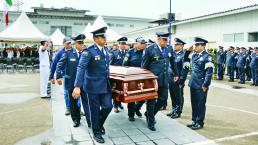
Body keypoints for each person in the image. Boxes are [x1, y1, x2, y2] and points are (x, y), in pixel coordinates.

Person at [73, 27, 112, 143]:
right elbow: (81, 68)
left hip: (105, 85)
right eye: (102, 36)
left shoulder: (106, 50)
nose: (105, 38)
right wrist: (77, 86)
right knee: (94, 110)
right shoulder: (88, 51)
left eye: (105, 36)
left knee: (108, 106)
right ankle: (97, 132)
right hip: (93, 86)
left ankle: (98, 124)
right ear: (95, 38)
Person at [141, 32, 179, 131]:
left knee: (163, 99)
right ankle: (150, 121)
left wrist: (176, 73)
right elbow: (144, 66)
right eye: (165, 40)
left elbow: (173, 62)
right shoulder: (149, 49)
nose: (167, 42)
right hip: (152, 80)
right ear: (159, 39)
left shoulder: (169, 48)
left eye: (167, 40)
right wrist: (145, 80)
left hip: (165, 78)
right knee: (151, 101)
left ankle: (149, 114)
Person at [56, 34, 86, 128]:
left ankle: (89, 119)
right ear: (75, 44)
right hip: (71, 83)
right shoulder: (68, 53)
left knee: (86, 102)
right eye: (80, 43)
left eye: (83, 43)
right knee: (73, 103)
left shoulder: (86, 53)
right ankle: (76, 120)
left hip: (84, 83)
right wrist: (58, 76)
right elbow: (59, 65)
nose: (82, 45)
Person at [185, 37, 214, 130]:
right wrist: (187, 52)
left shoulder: (208, 57)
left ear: (203, 46)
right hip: (193, 83)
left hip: (201, 85)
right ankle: (194, 120)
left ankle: (199, 122)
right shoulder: (194, 55)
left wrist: (205, 84)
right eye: (195, 45)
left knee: (200, 104)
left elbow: (209, 72)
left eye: (197, 45)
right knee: (194, 103)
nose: (195, 46)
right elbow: (184, 60)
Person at [123, 36, 147, 121]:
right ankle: (131, 114)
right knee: (131, 97)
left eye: (145, 43)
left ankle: (137, 108)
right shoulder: (130, 52)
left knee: (144, 96)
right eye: (142, 43)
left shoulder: (146, 52)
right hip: (132, 78)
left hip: (144, 77)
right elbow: (124, 65)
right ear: (136, 44)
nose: (144, 45)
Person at [167, 38, 190, 119]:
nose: (175, 46)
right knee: (172, 95)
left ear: (182, 46)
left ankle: (178, 111)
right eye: (175, 44)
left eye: (177, 45)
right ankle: (174, 110)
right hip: (170, 78)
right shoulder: (172, 54)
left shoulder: (184, 55)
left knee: (178, 96)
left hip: (178, 79)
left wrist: (181, 81)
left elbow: (185, 69)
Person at [49, 37, 73, 115]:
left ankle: (78, 109)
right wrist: (51, 77)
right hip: (65, 76)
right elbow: (54, 65)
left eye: (70, 43)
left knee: (77, 93)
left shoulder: (74, 51)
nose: (69, 45)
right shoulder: (60, 53)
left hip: (75, 75)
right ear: (64, 44)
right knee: (66, 93)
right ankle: (68, 108)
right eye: (67, 43)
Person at [110, 37, 128, 113]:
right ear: (119, 44)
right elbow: (110, 64)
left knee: (123, 90)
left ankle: (120, 103)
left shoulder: (127, 52)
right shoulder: (114, 53)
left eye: (124, 44)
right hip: (116, 76)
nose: (123, 45)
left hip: (124, 76)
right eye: (122, 44)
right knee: (116, 91)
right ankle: (115, 105)